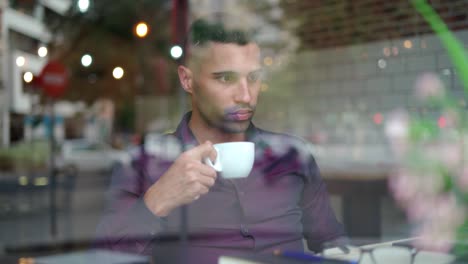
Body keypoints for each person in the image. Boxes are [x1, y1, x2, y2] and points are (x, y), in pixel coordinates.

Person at [96, 13, 346, 263]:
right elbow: (104, 259)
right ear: (187, 79)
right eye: (226, 78)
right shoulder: (145, 165)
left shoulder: (291, 155)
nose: (246, 96)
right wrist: (158, 199)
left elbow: (333, 244)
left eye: (254, 78)